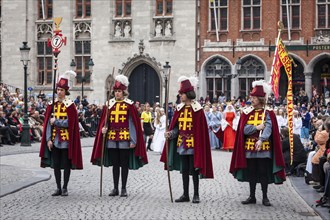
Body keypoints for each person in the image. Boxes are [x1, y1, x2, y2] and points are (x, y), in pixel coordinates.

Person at [229, 80, 286, 206]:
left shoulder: (268, 112)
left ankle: (265, 197)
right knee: (252, 172)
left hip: (264, 148)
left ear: (260, 98)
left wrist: (261, 139)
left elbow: (269, 128)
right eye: (251, 97)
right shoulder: (246, 112)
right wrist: (256, 128)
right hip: (249, 148)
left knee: (263, 172)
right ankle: (252, 196)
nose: (252, 99)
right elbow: (244, 129)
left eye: (254, 97)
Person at [91, 75, 148, 197]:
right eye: (116, 91)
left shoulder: (129, 105)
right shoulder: (109, 105)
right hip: (111, 138)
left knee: (124, 164)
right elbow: (104, 121)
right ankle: (115, 188)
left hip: (124, 138)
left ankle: (123, 188)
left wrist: (133, 140)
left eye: (119, 91)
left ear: (124, 92)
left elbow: (132, 123)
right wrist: (103, 129)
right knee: (115, 164)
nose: (117, 94)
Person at [161, 76, 214, 204]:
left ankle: (196, 194)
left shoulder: (198, 110)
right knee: (184, 169)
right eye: (180, 94)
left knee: (194, 169)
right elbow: (177, 128)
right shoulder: (179, 109)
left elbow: (201, 130)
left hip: (194, 145)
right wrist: (170, 134)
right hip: (182, 144)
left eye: (182, 94)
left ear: (188, 94)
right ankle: (185, 194)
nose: (180, 96)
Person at [39, 70, 83, 196]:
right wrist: (48, 139)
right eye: (58, 90)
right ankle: (58, 187)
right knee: (56, 164)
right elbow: (48, 124)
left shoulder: (70, 106)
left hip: (66, 139)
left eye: (62, 90)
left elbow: (70, 123)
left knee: (66, 164)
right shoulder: (51, 105)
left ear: (66, 92)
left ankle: (65, 187)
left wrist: (57, 122)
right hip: (54, 139)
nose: (59, 92)